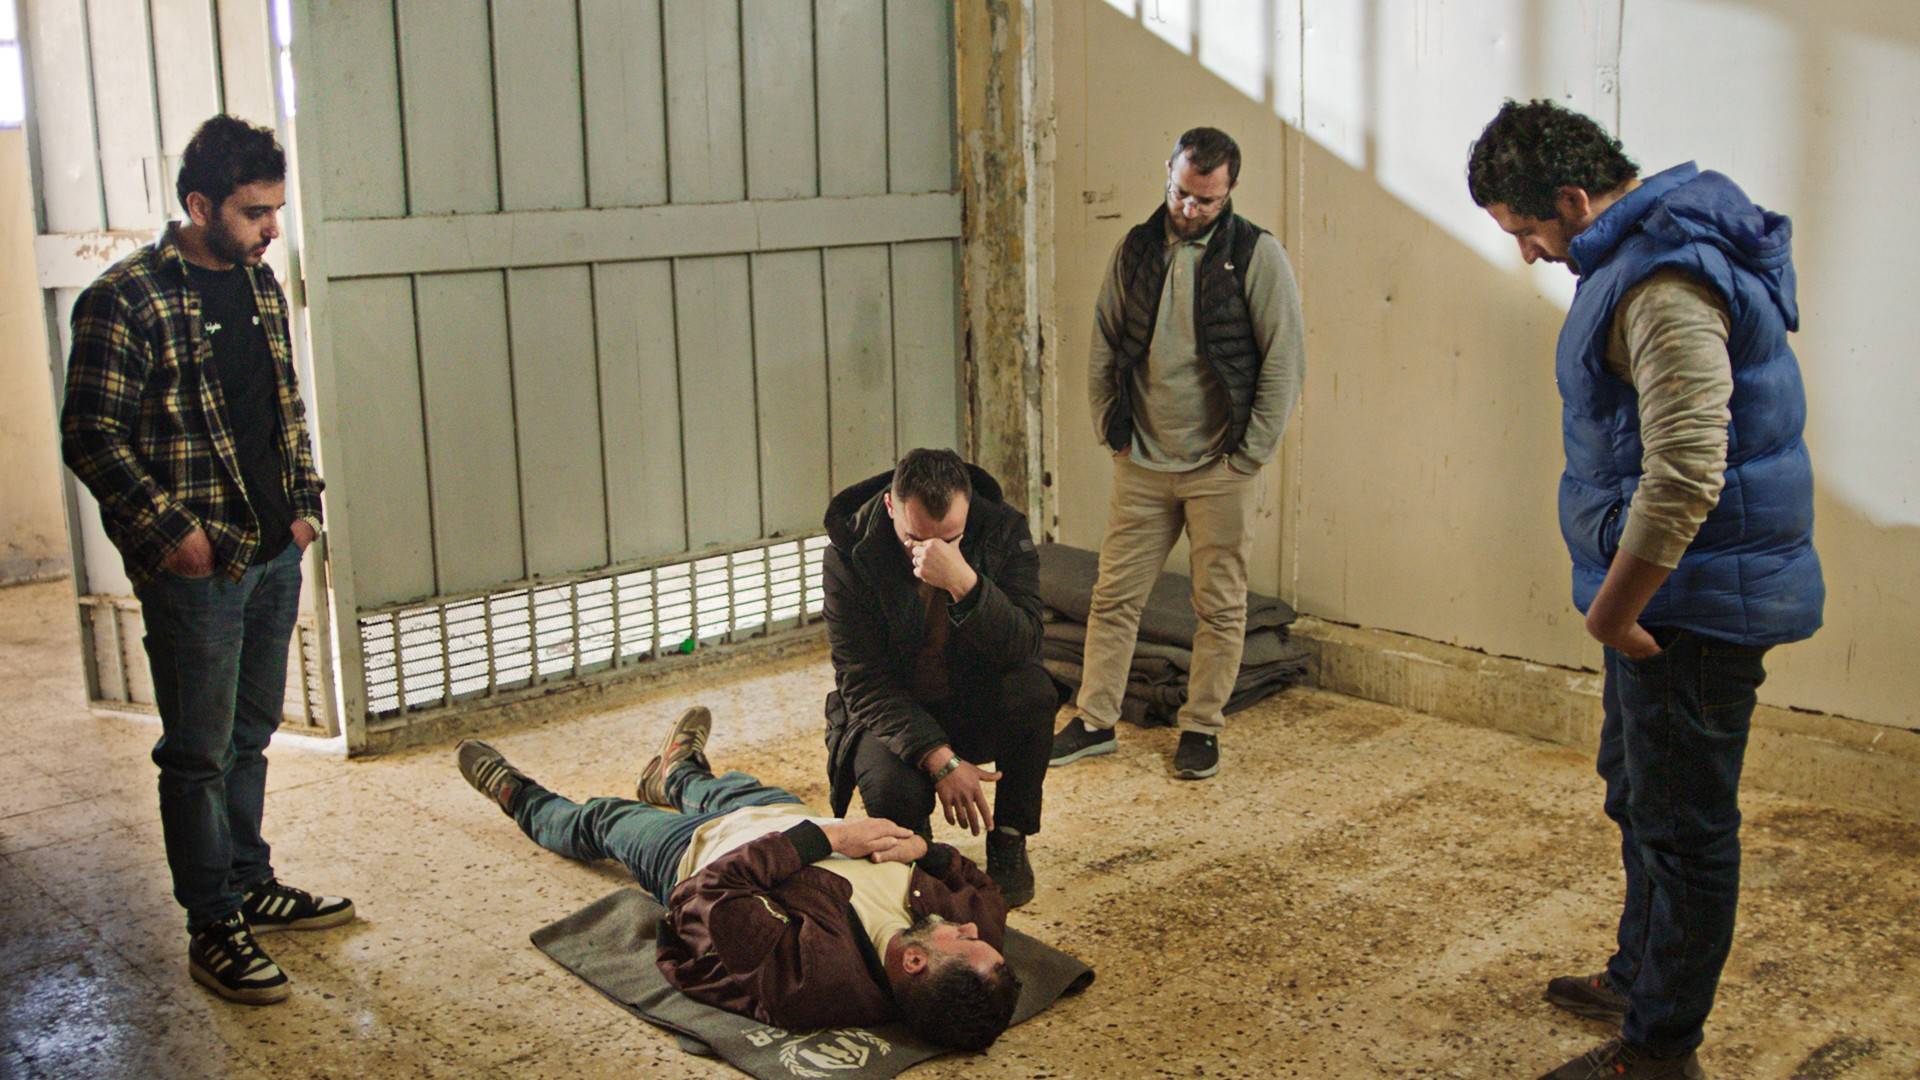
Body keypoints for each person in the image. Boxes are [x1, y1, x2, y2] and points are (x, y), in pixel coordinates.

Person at [1467, 99, 1824, 1080]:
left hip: (1693, 607)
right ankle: (1640, 978)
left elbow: (1688, 470)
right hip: (1673, 596)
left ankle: (1662, 1051)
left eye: (1528, 230)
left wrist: (1614, 612)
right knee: (1641, 795)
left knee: (1687, 832)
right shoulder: (1638, 259)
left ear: (1574, 200)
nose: (1530, 253)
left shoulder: (1664, 283)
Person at [60, 115, 351, 1006]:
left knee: (250, 736)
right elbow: (91, 435)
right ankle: (212, 922)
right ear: (198, 205)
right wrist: (172, 536)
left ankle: (249, 881)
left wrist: (304, 508)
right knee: (197, 754)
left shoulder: (260, 284)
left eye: (276, 210)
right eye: (255, 212)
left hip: (273, 553)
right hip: (196, 570)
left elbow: (283, 407)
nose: (271, 229)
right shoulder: (125, 298)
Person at [456, 707, 1022, 1049]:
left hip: (696, 851)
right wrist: (926, 850)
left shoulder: (809, 978)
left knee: (602, 819)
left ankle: (518, 795)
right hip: (781, 814)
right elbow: (984, 890)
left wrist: (826, 841)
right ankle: (676, 773)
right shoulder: (973, 934)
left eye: (963, 941)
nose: (972, 929)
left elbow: (708, 894)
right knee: (720, 786)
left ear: (915, 962)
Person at [1050, 126, 1306, 781]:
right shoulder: (1136, 248)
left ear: (1230, 191)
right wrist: (1110, 428)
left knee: (1218, 606)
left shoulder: (1257, 255)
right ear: (1168, 171)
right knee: (1113, 596)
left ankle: (1201, 727)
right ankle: (1094, 720)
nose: (1189, 209)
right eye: (1181, 193)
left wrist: (1249, 456)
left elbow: (1284, 360)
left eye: (1205, 201)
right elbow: (1105, 338)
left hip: (1221, 465)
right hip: (1141, 460)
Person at [821, 449, 1053, 908]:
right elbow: (862, 681)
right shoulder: (849, 550)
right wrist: (939, 758)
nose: (932, 552)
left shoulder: (1002, 529)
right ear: (891, 505)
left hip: (969, 695)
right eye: (916, 538)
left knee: (1035, 692)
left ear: (968, 511)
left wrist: (965, 584)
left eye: (950, 538)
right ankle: (918, 849)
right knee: (893, 792)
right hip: (891, 710)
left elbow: (1024, 646)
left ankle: (1009, 837)